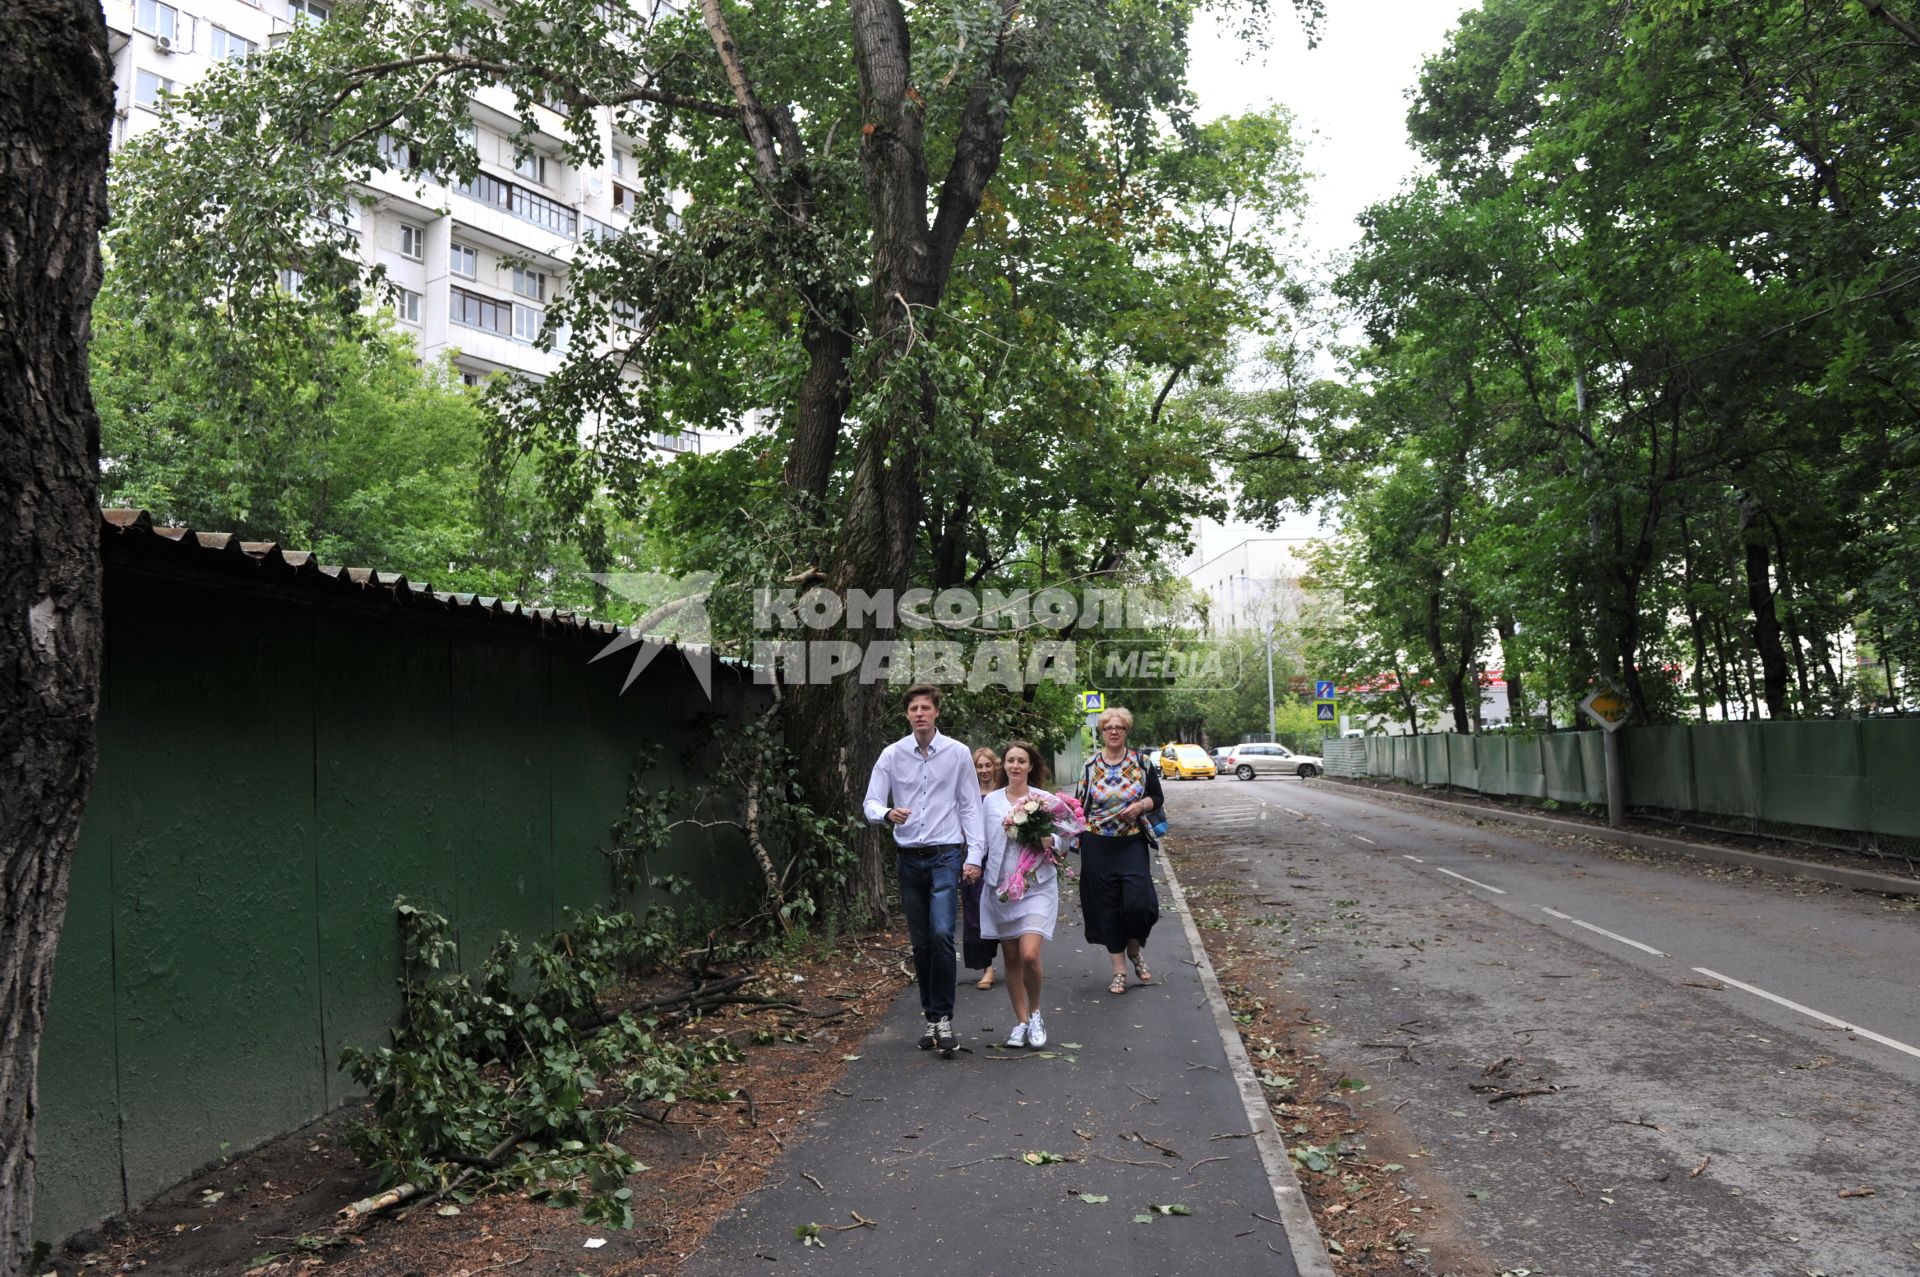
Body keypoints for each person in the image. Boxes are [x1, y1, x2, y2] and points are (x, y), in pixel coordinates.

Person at [861, 683, 985, 1058]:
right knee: (921, 942)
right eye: (913, 708)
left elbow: (969, 806)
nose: (919, 713)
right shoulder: (892, 754)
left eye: (925, 708)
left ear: (936, 713)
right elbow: (870, 802)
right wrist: (887, 813)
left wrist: (974, 855)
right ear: (907, 714)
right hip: (909, 858)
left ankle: (944, 1017)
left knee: (943, 933)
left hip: (946, 854)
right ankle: (932, 1019)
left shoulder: (958, 753)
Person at [965, 742, 1067, 1048]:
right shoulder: (991, 802)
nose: (1015, 766)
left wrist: (1053, 842)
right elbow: (980, 840)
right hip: (1001, 889)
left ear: (1030, 766)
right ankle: (1021, 1022)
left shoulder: (1044, 800)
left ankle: (1035, 1013)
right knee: (1010, 958)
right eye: (1010, 760)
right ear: (1003, 766)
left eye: (1021, 761)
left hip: (1037, 885)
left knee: (1029, 955)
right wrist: (971, 864)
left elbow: (1068, 837)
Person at [1074, 706, 1163, 995]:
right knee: (1107, 908)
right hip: (1097, 844)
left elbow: (1157, 797)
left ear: (1126, 731)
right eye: (1108, 728)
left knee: (1139, 904)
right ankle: (1119, 971)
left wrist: (1141, 806)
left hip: (1132, 843)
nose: (1113, 732)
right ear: (1101, 732)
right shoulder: (1090, 766)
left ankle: (1134, 950)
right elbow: (1078, 807)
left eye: (1119, 728)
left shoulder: (1142, 763)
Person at [964, 747, 1006, 991]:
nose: (984, 770)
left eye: (988, 765)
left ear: (995, 766)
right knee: (975, 912)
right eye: (979, 766)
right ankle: (987, 969)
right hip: (974, 857)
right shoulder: (968, 795)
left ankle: (1013, 961)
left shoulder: (1003, 793)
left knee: (1005, 909)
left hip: (1002, 857)